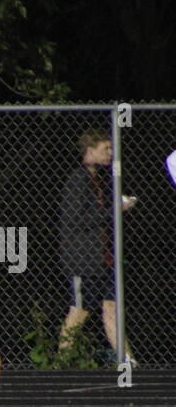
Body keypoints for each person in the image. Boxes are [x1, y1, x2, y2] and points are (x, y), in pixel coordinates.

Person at [57, 130, 136, 359]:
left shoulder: (96, 178)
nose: (110, 154)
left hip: (103, 258)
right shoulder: (78, 179)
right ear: (89, 151)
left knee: (111, 307)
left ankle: (127, 361)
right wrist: (115, 211)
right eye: (105, 149)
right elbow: (76, 219)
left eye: (111, 149)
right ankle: (61, 364)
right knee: (79, 311)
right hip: (84, 260)